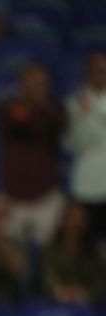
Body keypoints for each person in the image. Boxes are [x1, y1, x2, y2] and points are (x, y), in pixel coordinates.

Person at [0, 63, 66, 247]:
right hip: (13, 198)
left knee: (48, 250)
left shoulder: (55, 108)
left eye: (41, 83)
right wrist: (31, 107)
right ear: (22, 84)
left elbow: (58, 126)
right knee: (9, 250)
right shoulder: (9, 109)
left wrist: (41, 106)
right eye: (32, 82)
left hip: (46, 197)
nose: (37, 87)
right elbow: (14, 127)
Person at [66, 51, 106, 246]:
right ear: (87, 73)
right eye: (95, 70)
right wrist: (85, 116)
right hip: (86, 186)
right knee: (87, 245)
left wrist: (93, 114)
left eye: (103, 70)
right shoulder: (74, 103)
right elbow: (72, 143)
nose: (100, 74)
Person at [43, 201, 106, 304]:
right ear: (62, 221)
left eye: (79, 219)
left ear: (85, 222)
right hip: (57, 306)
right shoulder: (50, 251)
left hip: (92, 307)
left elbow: (101, 282)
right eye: (70, 218)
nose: (74, 224)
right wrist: (61, 291)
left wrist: (83, 292)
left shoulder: (95, 251)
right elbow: (48, 281)